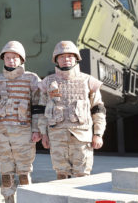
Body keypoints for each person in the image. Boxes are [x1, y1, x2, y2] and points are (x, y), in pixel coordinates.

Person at [38, 41, 106, 179]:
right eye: (61, 57)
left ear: (76, 58)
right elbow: (42, 111)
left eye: (69, 56)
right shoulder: (47, 83)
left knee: (82, 176)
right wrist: (43, 134)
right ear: (56, 60)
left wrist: (98, 134)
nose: (66, 59)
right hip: (57, 138)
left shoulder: (89, 81)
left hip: (81, 138)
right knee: (61, 175)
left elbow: (98, 110)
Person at [0, 41, 41, 203]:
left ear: (21, 60)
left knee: (24, 172)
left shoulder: (31, 79)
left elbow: (38, 106)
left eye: (15, 57)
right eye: (8, 58)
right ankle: (8, 200)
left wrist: (37, 130)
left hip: (24, 133)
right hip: (3, 134)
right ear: (3, 60)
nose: (11, 61)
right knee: (6, 173)